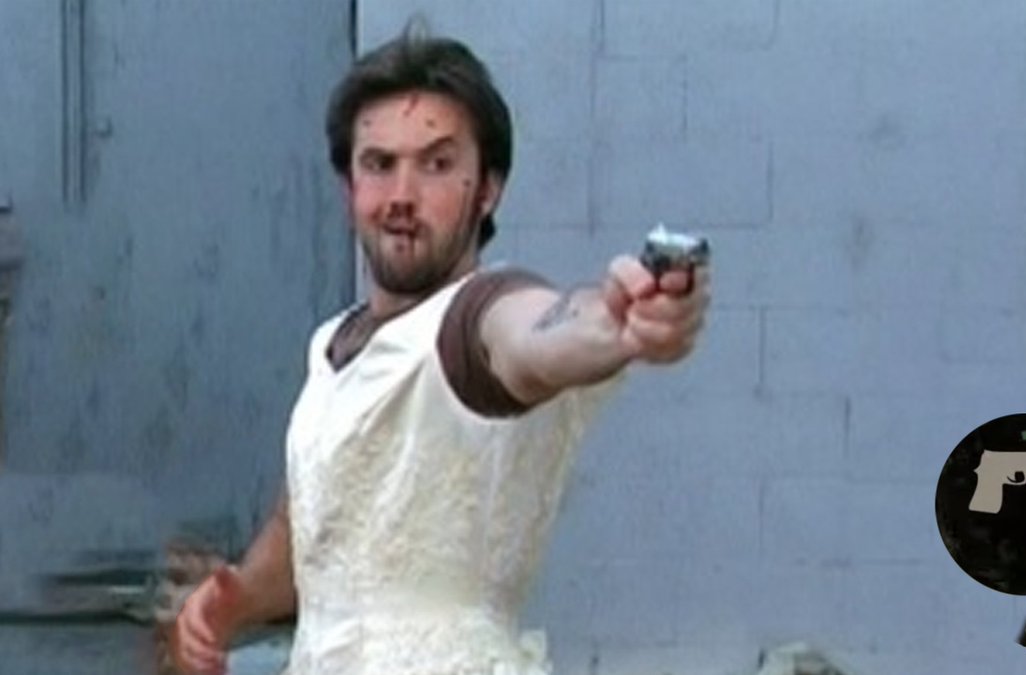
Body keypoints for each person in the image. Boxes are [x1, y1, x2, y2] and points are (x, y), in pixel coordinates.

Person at [170, 21, 709, 675]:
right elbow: (309, 533)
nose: (401, 195)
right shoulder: (331, 345)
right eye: (380, 164)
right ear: (349, 186)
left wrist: (617, 322)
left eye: (437, 164)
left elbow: (536, 332)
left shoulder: (475, 317)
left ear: (487, 187)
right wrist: (230, 599)